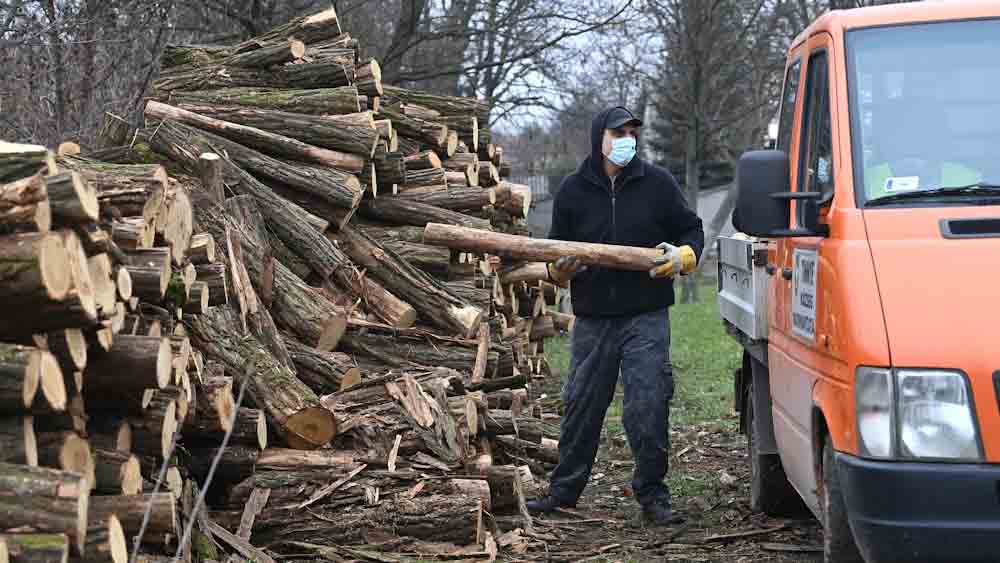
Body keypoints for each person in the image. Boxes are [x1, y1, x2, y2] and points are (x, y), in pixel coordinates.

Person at [526, 106, 705, 525]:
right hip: (592, 319)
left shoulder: (657, 183)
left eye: (631, 131)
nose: (627, 138)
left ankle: (652, 495)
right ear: (599, 138)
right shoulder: (572, 191)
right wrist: (559, 270)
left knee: (648, 403)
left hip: (646, 315)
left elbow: (691, 229)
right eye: (618, 131)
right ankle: (564, 491)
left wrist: (683, 256)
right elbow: (554, 254)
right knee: (581, 404)